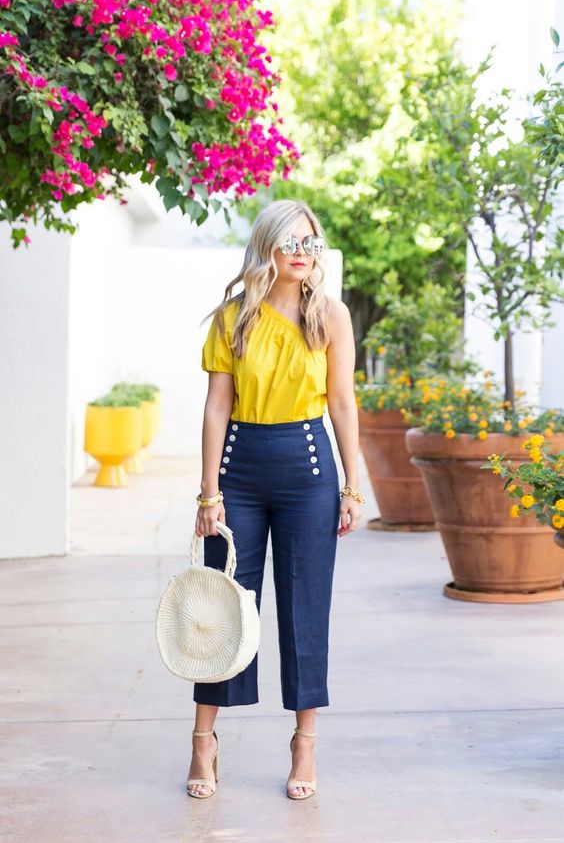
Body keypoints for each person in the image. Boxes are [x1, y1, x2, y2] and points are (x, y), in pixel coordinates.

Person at [186, 199, 365, 800]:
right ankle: (204, 741)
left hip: (309, 468)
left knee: (305, 606)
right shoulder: (233, 317)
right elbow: (216, 406)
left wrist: (351, 485)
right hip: (239, 469)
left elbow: (342, 403)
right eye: (290, 241)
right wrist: (208, 491)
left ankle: (304, 743)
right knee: (222, 607)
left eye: (310, 243)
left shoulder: (331, 317)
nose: (301, 252)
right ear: (267, 245)